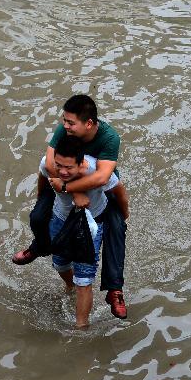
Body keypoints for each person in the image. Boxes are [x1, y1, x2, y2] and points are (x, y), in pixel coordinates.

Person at [13, 94, 129, 319]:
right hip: (59, 184)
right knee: (38, 217)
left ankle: (115, 290)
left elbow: (103, 178)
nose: (64, 125)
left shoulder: (109, 138)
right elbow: (49, 164)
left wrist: (67, 187)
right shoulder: (63, 133)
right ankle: (40, 247)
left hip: (96, 190)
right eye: (64, 121)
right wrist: (71, 190)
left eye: (70, 122)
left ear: (88, 124)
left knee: (117, 228)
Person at [39, 136, 129, 329]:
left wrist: (124, 215)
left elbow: (119, 190)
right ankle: (69, 286)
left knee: (84, 278)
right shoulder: (50, 166)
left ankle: (81, 326)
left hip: (92, 222)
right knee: (60, 264)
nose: (62, 171)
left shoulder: (96, 170)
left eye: (69, 168)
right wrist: (41, 204)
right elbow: (43, 176)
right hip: (61, 219)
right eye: (59, 165)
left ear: (81, 163)